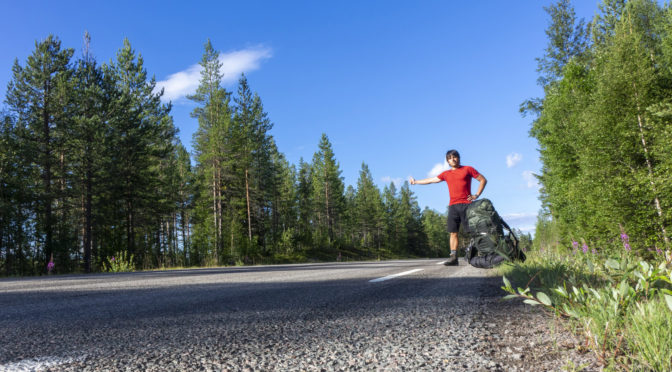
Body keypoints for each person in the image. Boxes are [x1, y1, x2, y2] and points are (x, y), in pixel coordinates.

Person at [410, 150, 487, 265]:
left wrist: (476, 195)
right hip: (453, 206)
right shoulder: (446, 174)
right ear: (447, 161)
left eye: (455, 157)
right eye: (450, 158)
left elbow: (482, 180)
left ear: (459, 158)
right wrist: (416, 182)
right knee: (453, 232)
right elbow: (431, 180)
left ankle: (482, 254)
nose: (453, 159)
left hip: (467, 205)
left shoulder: (468, 169)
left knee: (473, 231)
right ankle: (453, 257)